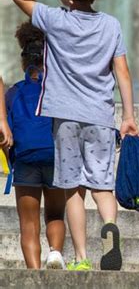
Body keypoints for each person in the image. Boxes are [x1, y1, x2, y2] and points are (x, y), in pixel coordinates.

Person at [12, 0, 139, 271]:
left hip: (66, 116)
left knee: (72, 189)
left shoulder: (55, 20)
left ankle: (81, 258)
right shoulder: (111, 24)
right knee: (102, 186)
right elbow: (123, 73)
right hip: (101, 116)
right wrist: (130, 117)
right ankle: (109, 225)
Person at [4, 22, 66, 270]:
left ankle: (34, 274)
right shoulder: (59, 89)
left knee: (28, 224)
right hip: (55, 156)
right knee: (55, 214)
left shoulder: (12, 93)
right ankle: (55, 253)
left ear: (23, 61)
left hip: (26, 158)